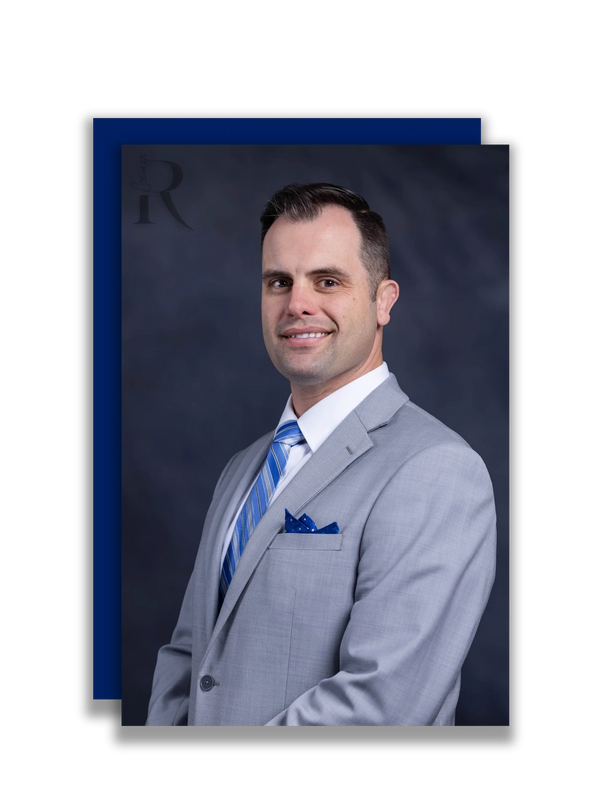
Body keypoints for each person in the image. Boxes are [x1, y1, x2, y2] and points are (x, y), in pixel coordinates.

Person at [146, 182, 496, 726]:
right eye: (278, 282)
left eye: (327, 281)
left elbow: (382, 703)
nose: (297, 304)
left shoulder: (437, 469)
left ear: (384, 301)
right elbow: (189, 656)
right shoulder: (242, 470)